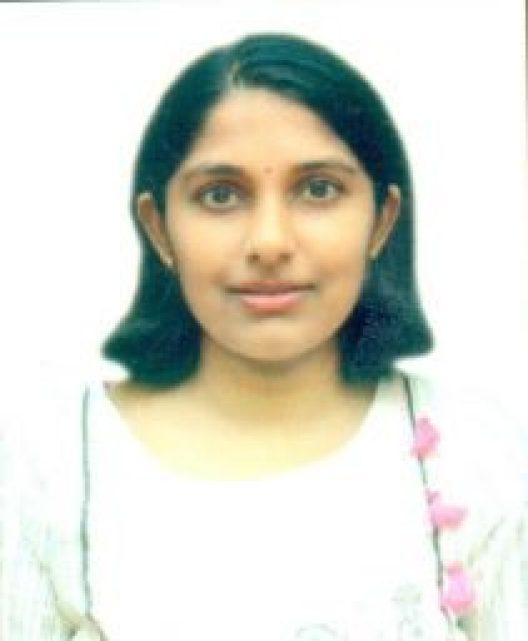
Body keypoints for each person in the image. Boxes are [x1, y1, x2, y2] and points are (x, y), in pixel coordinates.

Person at [1, 32, 526, 641]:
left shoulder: (477, 456)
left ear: (382, 220)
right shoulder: (50, 468)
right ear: (159, 228)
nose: (270, 242)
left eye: (319, 189)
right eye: (220, 195)